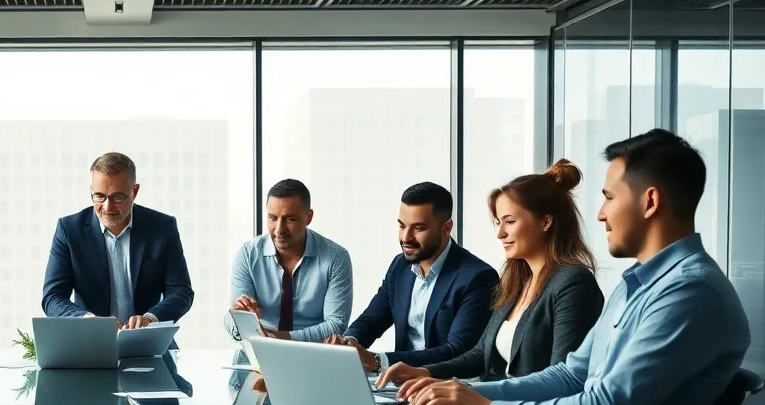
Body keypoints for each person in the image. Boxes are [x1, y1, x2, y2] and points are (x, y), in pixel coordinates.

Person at [404, 130, 752, 405]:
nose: (600, 214)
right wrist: (466, 394)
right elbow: (571, 375)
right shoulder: (634, 286)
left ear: (649, 202)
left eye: (609, 198)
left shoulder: (688, 293)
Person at [377, 161, 604, 389]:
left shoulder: (573, 284)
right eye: (499, 222)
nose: (500, 233)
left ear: (546, 222)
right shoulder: (518, 282)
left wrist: (472, 393)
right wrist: (424, 372)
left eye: (510, 222)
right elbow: (479, 354)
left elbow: (562, 380)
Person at [331, 182, 498, 373]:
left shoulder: (478, 278)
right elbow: (371, 321)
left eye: (418, 228)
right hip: (399, 383)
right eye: (402, 226)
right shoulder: (400, 266)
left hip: (447, 383)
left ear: (446, 228)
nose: (406, 237)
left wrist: (379, 361)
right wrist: (348, 342)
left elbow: (458, 351)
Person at [41, 152, 194, 329]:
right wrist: (84, 319)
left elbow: (181, 291)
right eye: (100, 196)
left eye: (117, 197)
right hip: (91, 339)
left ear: (134, 192)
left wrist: (151, 319)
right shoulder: (69, 230)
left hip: (150, 337)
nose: (108, 207)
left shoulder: (162, 227)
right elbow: (52, 297)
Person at [230, 179, 353, 342]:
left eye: (290, 219)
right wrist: (241, 317)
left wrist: (280, 338)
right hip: (259, 350)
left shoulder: (336, 258)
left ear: (308, 217)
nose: (279, 229)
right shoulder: (247, 255)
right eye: (273, 218)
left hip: (313, 352)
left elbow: (335, 325)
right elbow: (234, 326)